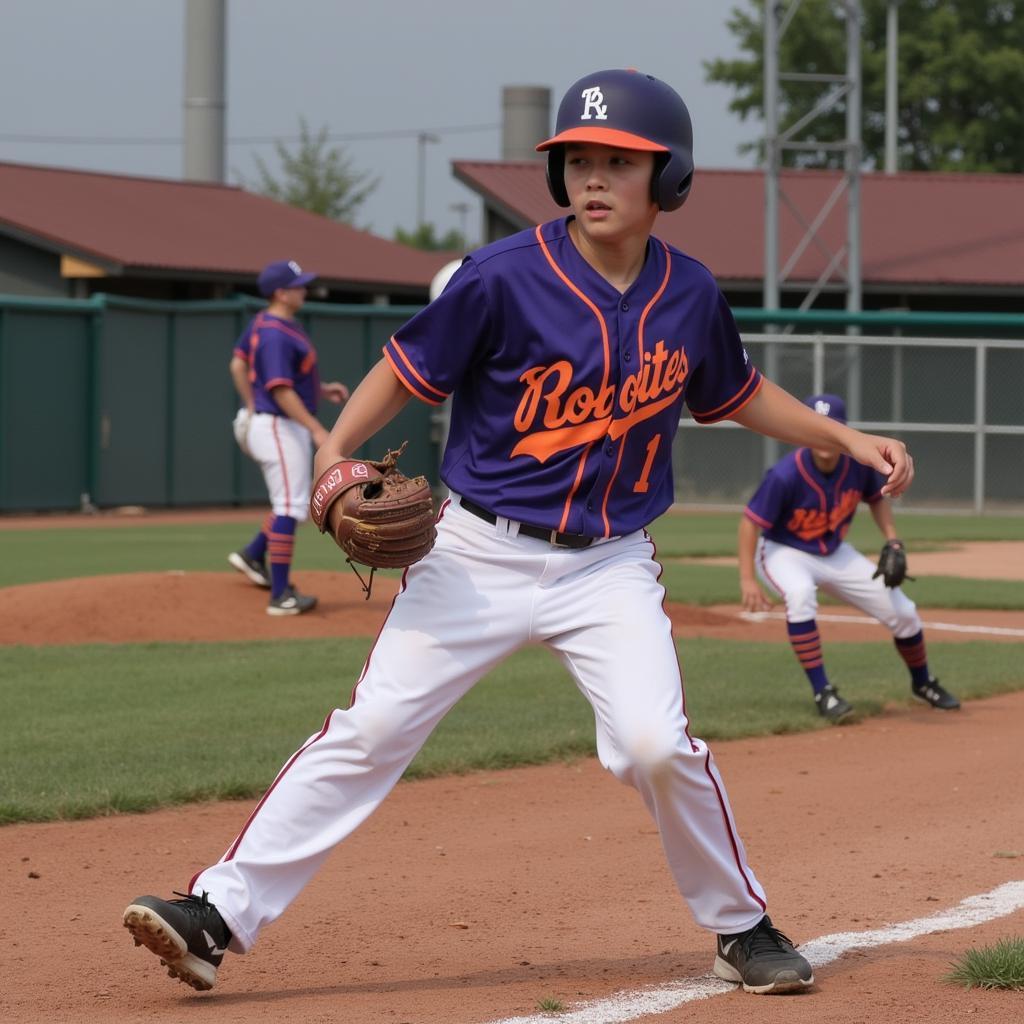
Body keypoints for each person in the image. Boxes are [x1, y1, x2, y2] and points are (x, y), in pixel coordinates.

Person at [123, 69, 917, 997]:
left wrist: (846, 437)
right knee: (373, 726)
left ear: (668, 177)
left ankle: (741, 927)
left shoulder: (690, 294)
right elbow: (403, 368)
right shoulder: (500, 276)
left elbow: (737, 394)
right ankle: (214, 914)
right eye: (578, 159)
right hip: (475, 552)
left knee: (655, 748)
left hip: (609, 565)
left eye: (618, 161)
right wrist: (338, 454)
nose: (593, 176)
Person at [738, 393, 960, 722]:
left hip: (833, 551)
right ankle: (822, 691)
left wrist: (893, 541)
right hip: (784, 551)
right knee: (800, 596)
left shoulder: (856, 465)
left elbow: (877, 498)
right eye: (819, 427)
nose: (826, 437)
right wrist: (747, 579)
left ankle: (923, 682)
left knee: (905, 612)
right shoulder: (785, 475)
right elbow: (750, 525)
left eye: (833, 428)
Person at [226, 259, 349, 615]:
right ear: (281, 292)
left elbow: (238, 364)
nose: (304, 290)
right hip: (279, 425)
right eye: (298, 285)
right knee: (291, 507)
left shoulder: (264, 323)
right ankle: (281, 596)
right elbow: (280, 390)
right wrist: (315, 427)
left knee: (292, 505)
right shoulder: (276, 333)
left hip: (272, 421)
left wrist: (321, 390)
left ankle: (251, 555)